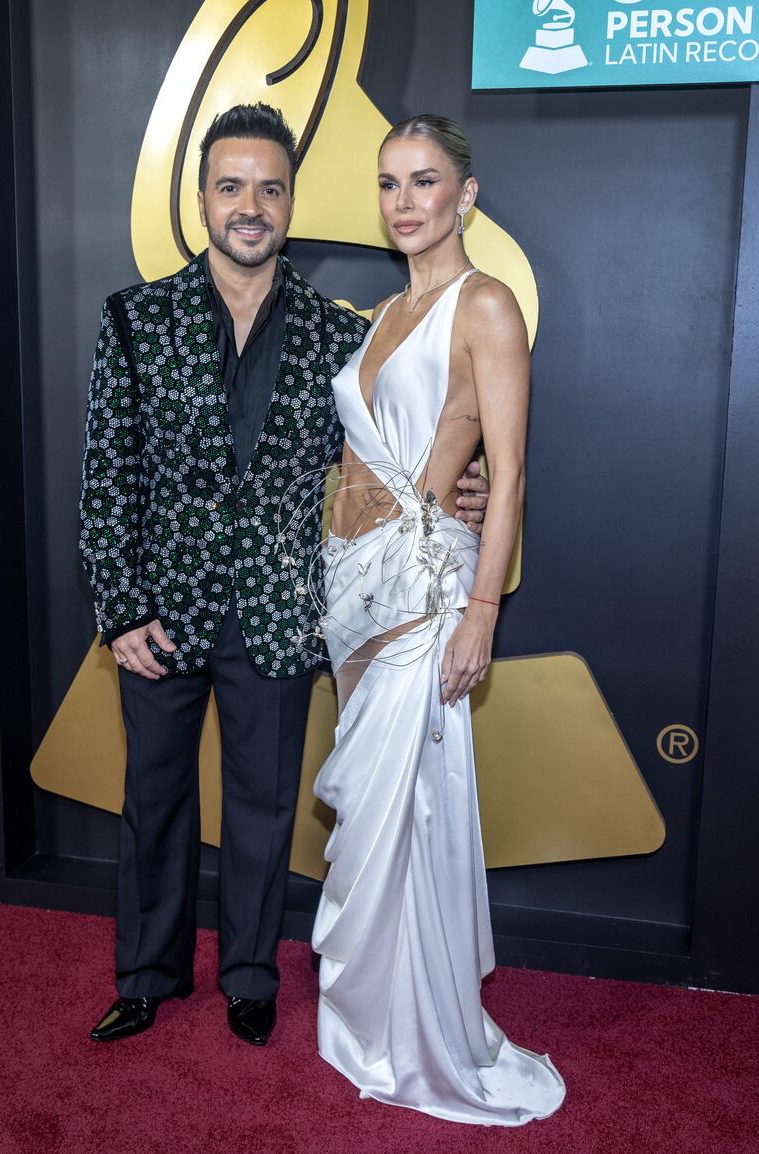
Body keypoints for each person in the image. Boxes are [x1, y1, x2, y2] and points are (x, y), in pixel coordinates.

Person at [79, 103, 488, 1046]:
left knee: (265, 805)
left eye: (269, 187)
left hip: (277, 610)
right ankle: (146, 975)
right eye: (232, 187)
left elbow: (401, 450)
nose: (250, 205)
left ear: (291, 200)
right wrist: (120, 609)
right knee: (156, 799)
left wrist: (463, 487)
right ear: (203, 201)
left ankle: (251, 975)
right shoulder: (134, 320)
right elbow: (108, 474)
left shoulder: (336, 335)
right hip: (161, 614)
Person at [298, 115, 567, 1124]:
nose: (403, 201)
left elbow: (506, 475)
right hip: (349, 584)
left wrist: (480, 614)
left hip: (422, 591)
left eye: (423, 181)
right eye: (387, 184)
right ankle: (368, 1011)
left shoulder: (483, 304)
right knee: (372, 808)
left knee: (405, 805)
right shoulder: (380, 313)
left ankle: (417, 1033)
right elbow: (367, 452)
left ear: (465, 193)